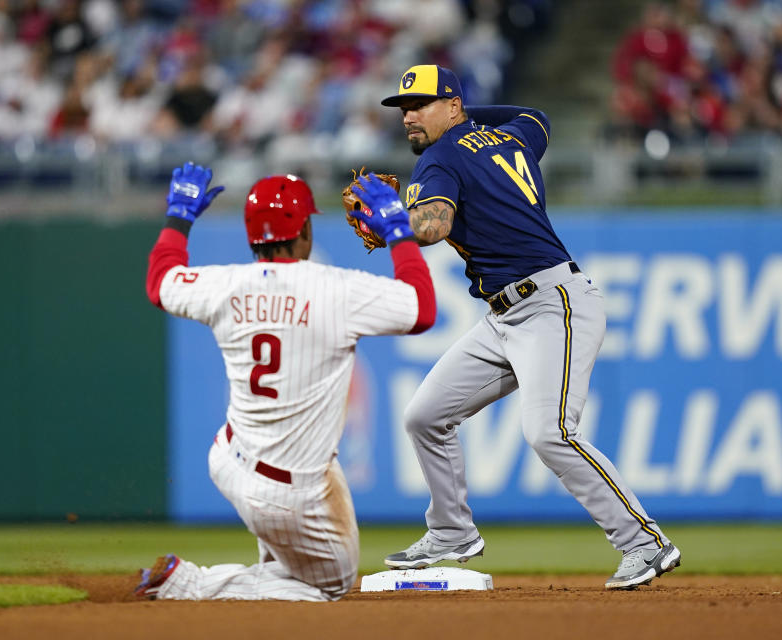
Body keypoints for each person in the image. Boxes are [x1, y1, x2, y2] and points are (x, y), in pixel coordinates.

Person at [352, 64, 681, 590]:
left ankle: (644, 543)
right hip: (504, 316)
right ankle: (451, 532)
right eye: (404, 108)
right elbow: (539, 117)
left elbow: (434, 225)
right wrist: (467, 123)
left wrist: (391, 221)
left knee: (549, 432)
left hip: (553, 303)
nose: (409, 116)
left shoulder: (438, 159)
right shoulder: (510, 136)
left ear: (454, 105)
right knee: (424, 416)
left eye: (422, 105)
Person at [136, 162, 436, 601]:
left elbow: (159, 282)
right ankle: (188, 585)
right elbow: (422, 310)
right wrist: (397, 231)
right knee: (327, 585)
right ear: (305, 232)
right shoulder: (337, 289)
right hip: (289, 487)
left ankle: (264, 587)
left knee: (290, 559)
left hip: (231, 458)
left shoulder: (225, 284)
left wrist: (179, 217)